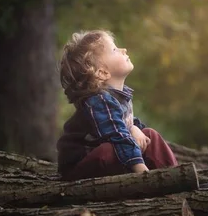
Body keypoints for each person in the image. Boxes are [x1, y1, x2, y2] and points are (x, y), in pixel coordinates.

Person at [56, 29, 178, 180]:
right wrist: (143, 173)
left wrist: (134, 128)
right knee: (109, 150)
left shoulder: (120, 96)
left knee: (149, 134)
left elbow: (122, 124)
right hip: (79, 169)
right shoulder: (99, 101)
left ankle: (175, 177)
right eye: (114, 49)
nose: (123, 50)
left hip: (108, 159)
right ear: (102, 73)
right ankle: (148, 180)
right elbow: (117, 136)